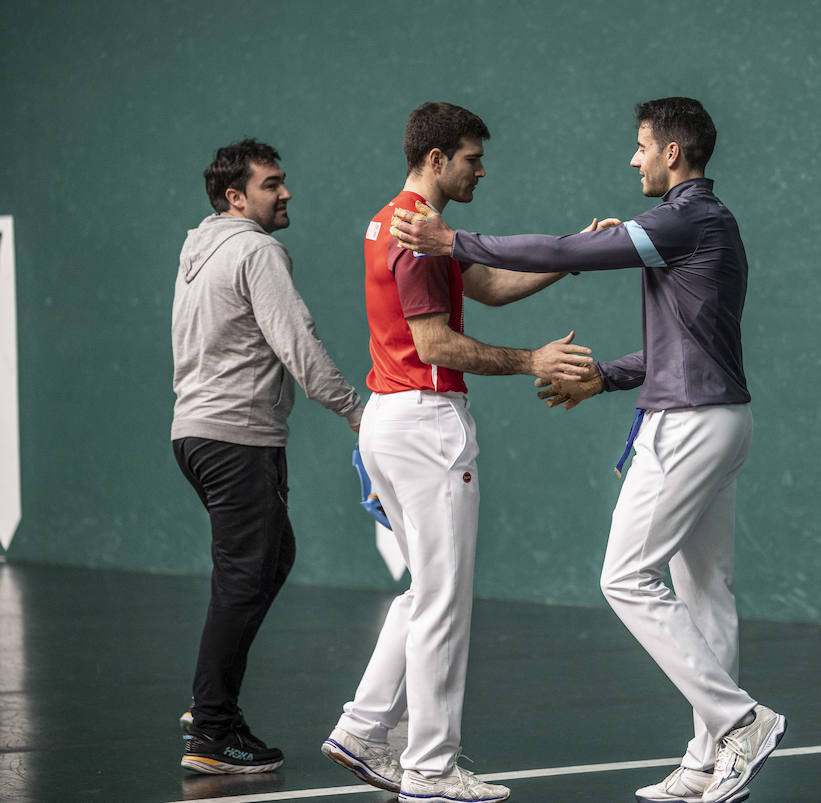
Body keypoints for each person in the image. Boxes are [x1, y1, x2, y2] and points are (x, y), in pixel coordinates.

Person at [392, 96, 785, 803]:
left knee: (625, 576)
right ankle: (706, 760)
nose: (632, 159)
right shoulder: (708, 223)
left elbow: (574, 252)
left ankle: (739, 721)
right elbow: (685, 345)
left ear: (672, 153)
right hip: (721, 415)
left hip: (688, 424)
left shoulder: (684, 218)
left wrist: (458, 244)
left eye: (640, 147)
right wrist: (605, 377)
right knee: (705, 593)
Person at [321, 102, 593, 803]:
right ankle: (432, 767)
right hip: (426, 421)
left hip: (392, 417)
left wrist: (574, 257)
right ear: (437, 160)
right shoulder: (415, 233)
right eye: (472, 157)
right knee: (444, 600)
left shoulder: (398, 220)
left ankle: (362, 728)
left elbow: (492, 285)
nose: (482, 169)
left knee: (425, 591)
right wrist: (534, 360)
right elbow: (437, 344)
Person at [172, 139, 364, 774]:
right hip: (236, 438)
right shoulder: (256, 250)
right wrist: (357, 410)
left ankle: (212, 705)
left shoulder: (201, 247)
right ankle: (213, 727)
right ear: (236, 197)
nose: (285, 193)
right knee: (244, 575)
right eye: (271, 184)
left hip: (197, 436)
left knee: (269, 558)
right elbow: (299, 346)